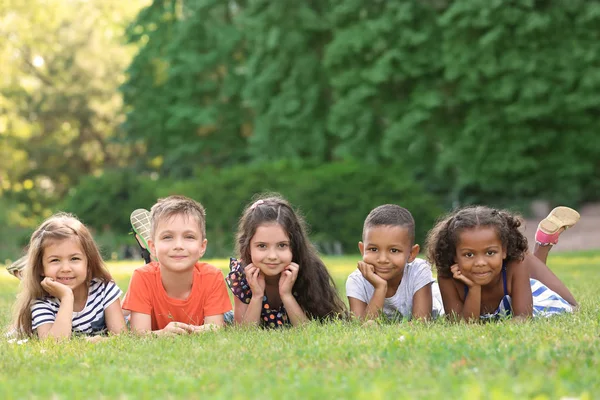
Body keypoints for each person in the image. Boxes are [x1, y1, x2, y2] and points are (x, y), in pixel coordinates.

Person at [426, 206, 578, 322]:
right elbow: (460, 325)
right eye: (469, 254)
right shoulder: (447, 276)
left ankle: (542, 245)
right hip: (507, 277)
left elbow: (524, 318)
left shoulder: (515, 265)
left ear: (504, 250)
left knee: (572, 307)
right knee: (518, 259)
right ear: (454, 255)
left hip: (522, 286)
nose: (480, 263)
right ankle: (542, 242)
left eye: (490, 252)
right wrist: (473, 289)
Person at [226, 194, 347, 328]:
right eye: (262, 246)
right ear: (247, 247)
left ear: (295, 245)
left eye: (282, 245)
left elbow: (308, 331)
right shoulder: (242, 275)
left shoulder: (309, 270)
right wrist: (257, 295)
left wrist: (286, 295)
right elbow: (243, 332)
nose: (272, 256)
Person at [122, 195, 232, 335]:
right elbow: (139, 334)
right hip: (146, 283)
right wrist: (162, 334)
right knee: (117, 320)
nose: (178, 245)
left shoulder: (212, 276)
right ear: (152, 246)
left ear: (202, 247)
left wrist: (190, 330)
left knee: (229, 318)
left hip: (221, 313)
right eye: (168, 237)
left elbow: (215, 328)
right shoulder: (141, 276)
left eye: (189, 237)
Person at [12, 213, 126, 339]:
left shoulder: (103, 289)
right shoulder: (43, 303)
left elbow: (121, 336)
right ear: (41, 268)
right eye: (55, 260)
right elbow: (53, 344)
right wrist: (66, 297)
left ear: (89, 263)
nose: (66, 269)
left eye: (74, 258)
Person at [346, 205, 443, 322]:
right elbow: (361, 326)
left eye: (394, 250)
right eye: (373, 249)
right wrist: (380, 288)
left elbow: (421, 322)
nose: (382, 259)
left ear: (412, 253)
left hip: (437, 300)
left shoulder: (419, 270)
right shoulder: (356, 281)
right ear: (362, 249)